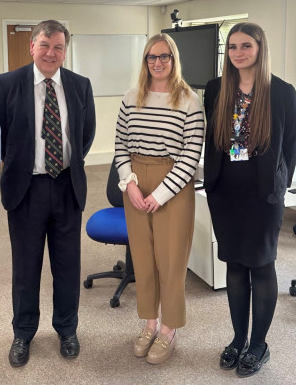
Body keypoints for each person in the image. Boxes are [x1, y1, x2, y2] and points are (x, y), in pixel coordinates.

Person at [0, 20, 96, 367]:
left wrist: (66, 162)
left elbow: (86, 133)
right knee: (26, 266)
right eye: (45, 45)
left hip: (67, 185)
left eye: (59, 47)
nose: (51, 53)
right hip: (26, 188)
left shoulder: (80, 85)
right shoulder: (7, 84)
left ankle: (67, 329)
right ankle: (23, 332)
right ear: (31, 46)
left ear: (66, 50)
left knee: (67, 265)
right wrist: (21, 163)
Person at [203, 22, 296, 378]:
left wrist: (279, 188)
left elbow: (289, 149)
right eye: (232, 47)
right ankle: (237, 338)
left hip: (262, 195)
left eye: (246, 45)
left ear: (260, 48)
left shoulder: (282, 93)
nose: (238, 52)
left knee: (260, 265)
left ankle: (259, 343)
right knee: (233, 264)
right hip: (224, 191)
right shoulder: (216, 89)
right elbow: (212, 140)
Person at [114, 33, 204, 364]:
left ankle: (168, 329)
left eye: (164, 56)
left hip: (174, 184)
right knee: (144, 258)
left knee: (170, 262)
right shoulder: (131, 97)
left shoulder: (189, 101)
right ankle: (149, 322)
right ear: (145, 61)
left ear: (174, 59)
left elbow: (191, 155)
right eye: (152, 57)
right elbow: (120, 145)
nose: (158, 63)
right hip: (136, 179)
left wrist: (161, 194)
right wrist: (130, 185)